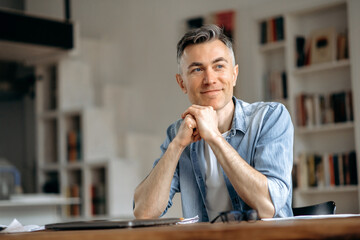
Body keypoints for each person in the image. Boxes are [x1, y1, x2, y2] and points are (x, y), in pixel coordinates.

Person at [133, 24, 293, 222]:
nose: (209, 79)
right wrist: (177, 146)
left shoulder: (271, 118)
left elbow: (268, 206)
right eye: (197, 69)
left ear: (234, 75)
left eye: (219, 66)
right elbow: (143, 212)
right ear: (182, 83)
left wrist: (214, 137)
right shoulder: (177, 133)